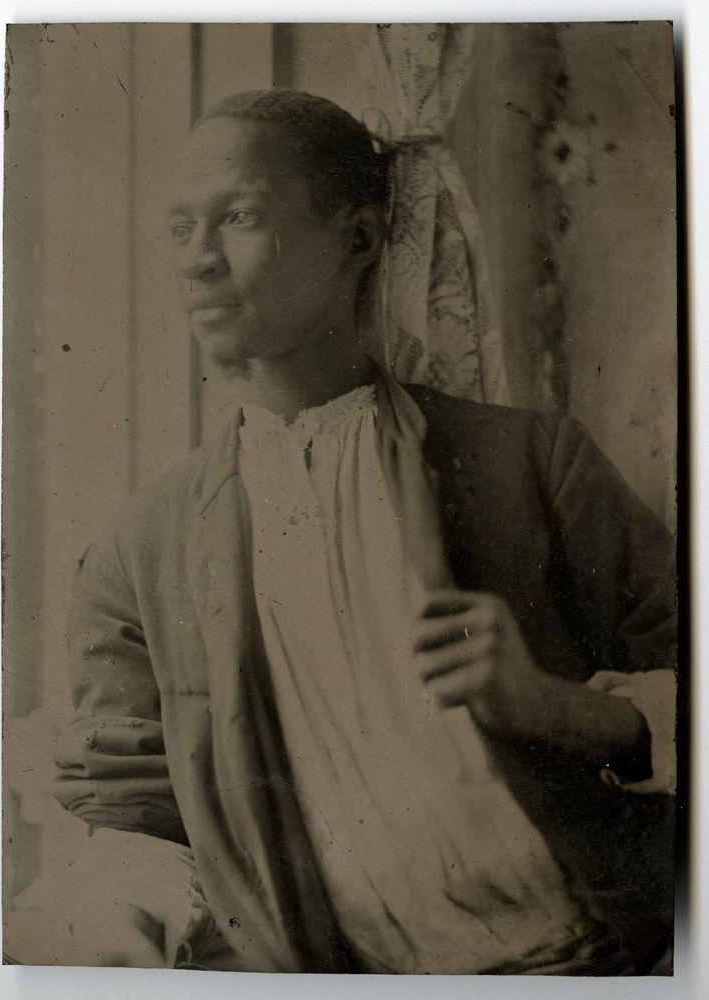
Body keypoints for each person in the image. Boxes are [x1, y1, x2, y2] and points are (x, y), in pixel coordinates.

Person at [53, 89, 677, 975]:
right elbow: (129, 815)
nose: (196, 261)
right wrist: (119, 916)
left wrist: (559, 709)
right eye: (178, 230)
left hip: (618, 963)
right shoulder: (139, 551)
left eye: (236, 217)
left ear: (360, 239)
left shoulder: (531, 465)